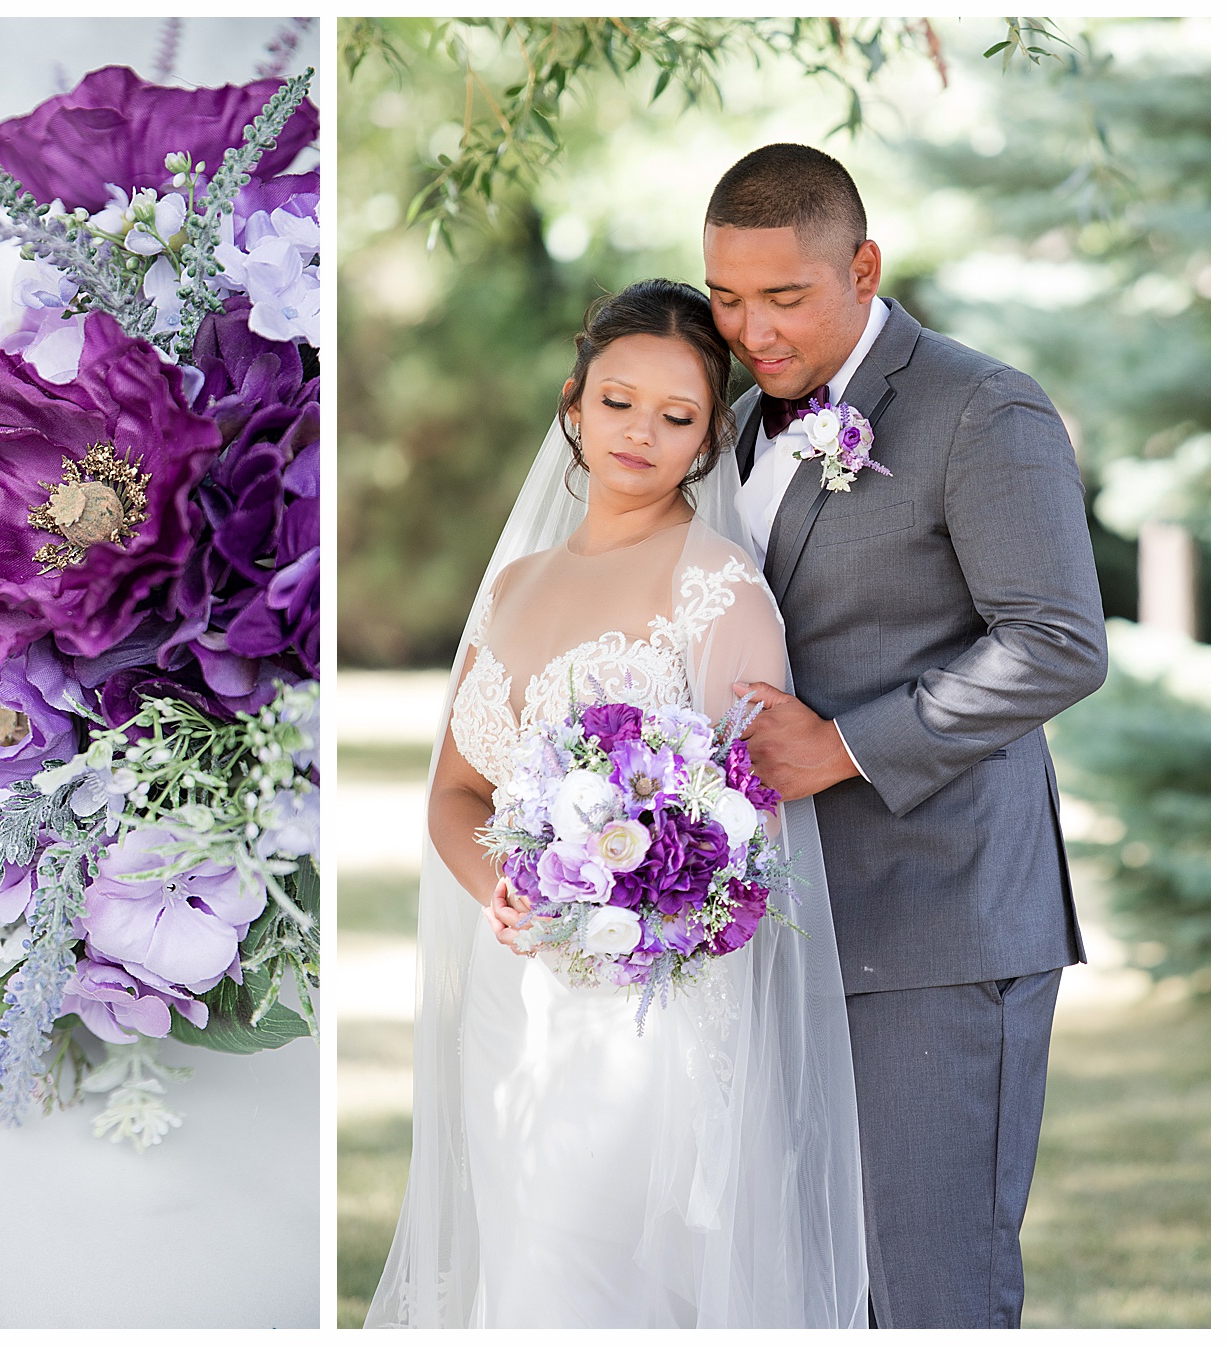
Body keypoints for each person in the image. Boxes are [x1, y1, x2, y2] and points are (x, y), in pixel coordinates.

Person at [364, 279, 868, 1328]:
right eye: (617, 401)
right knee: (522, 1268)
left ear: (708, 437)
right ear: (574, 403)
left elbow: (751, 824)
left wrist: (642, 901)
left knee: (600, 1278)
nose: (641, 432)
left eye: (677, 416)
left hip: (647, 1020)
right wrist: (500, 885)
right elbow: (458, 788)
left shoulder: (715, 585)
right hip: (518, 1008)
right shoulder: (516, 585)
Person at [701, 143, 1107, 1329]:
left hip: (940, 917)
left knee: (931, 1290)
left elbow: (1057, 642)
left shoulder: (982, 407)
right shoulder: (732, 423)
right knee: (815, 1285)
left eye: (785, 297)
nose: (751, 330)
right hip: (779, 920)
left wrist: (847, 745)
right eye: (727, 297)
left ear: (864, 266)